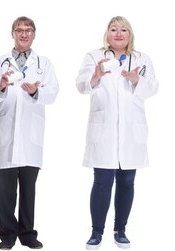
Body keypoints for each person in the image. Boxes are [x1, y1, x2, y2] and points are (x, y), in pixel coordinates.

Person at [76, 16, 158, 250]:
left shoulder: (142, 59)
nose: (119, 33)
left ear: (130, 34)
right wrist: (97, 76)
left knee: (127, 181)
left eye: (123, 29)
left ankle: (120, 230)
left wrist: (135, 79)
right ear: (107, 34)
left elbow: (152, 88)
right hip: (104, 131)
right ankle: (96, 232)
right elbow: (81, 86)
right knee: (102, 181)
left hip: (132, 131)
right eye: (114, 29)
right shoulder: (94, 57)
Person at [0, 16, 58, 250]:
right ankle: (7, 235)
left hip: (31, 135)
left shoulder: (44, 64)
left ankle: (27, 234)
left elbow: (53, 93)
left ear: (34, 34)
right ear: (12, 33)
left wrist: (35, 92)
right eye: (19, 30)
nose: (24, 34)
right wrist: (0, 86)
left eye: (28, 30)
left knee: (28, 190)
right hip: (6, 134)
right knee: (5, 191)